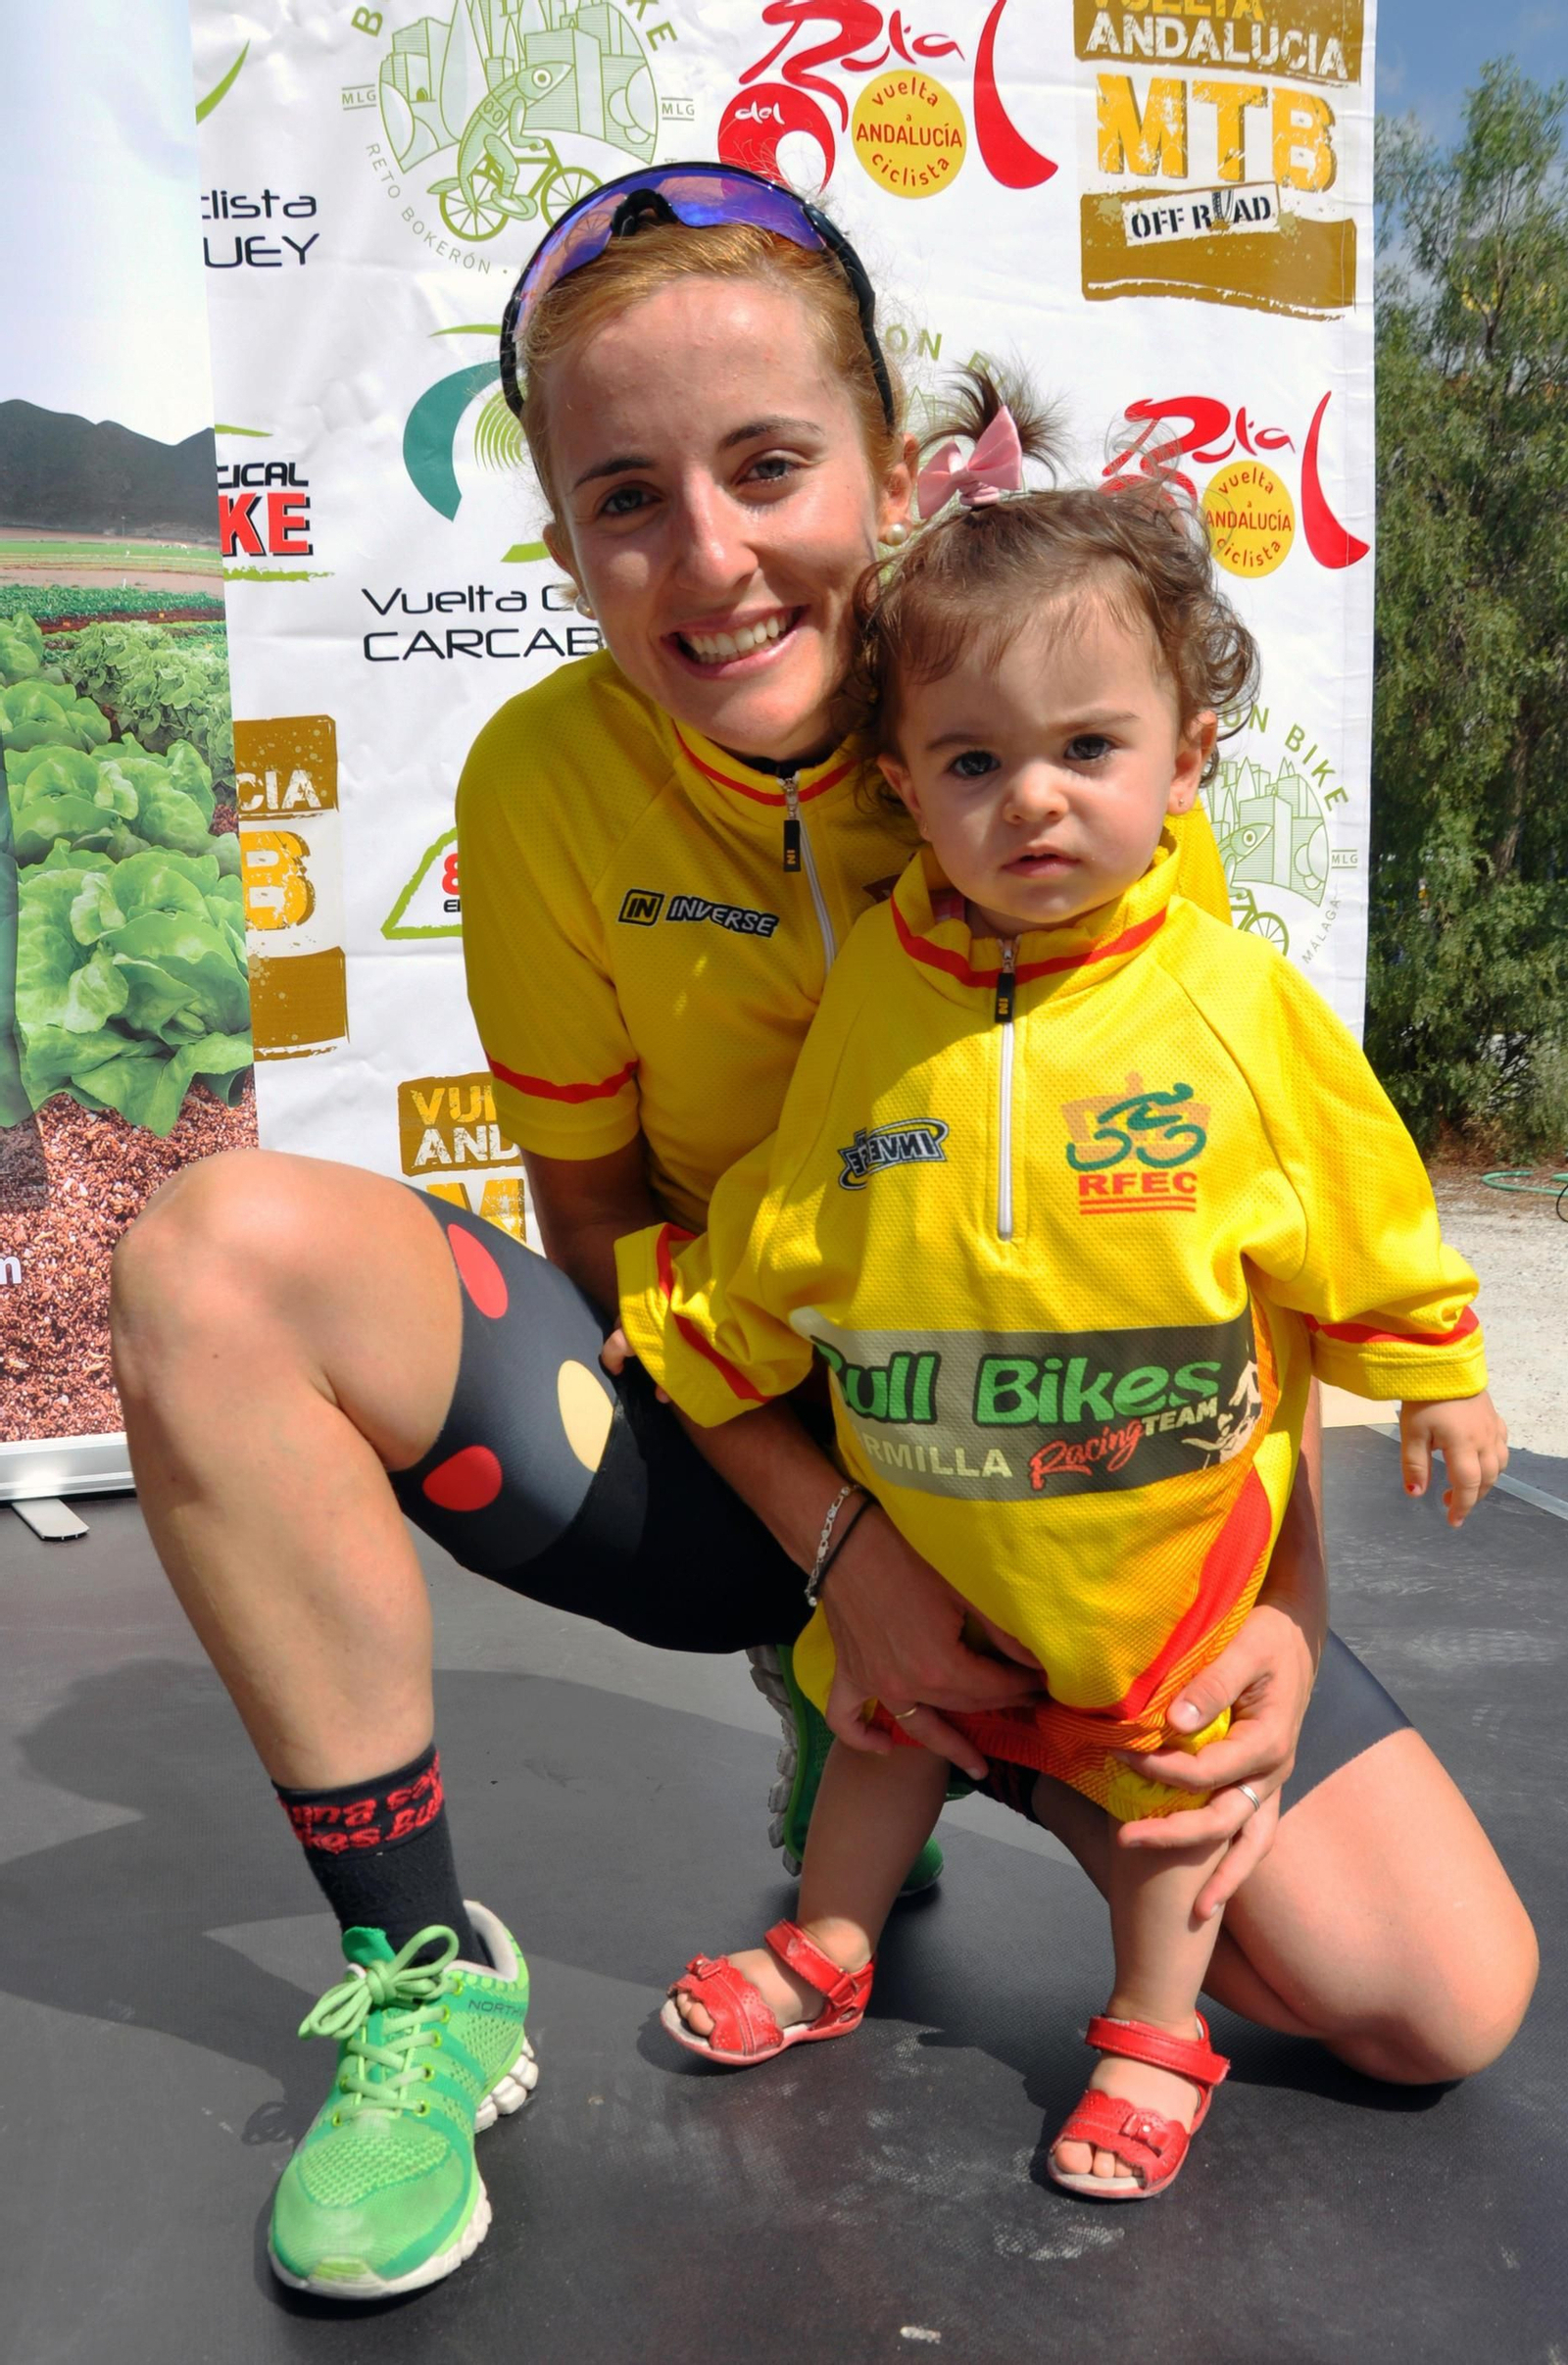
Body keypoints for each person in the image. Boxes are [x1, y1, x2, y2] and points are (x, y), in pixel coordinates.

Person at [108, 164, 1536, 2293]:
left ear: (882, 460)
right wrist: (843, 1558)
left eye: (767, 465)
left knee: (1436, 2001)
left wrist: (1279, 1616)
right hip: (740, 1455)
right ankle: (429, 1980)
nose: (707, 558)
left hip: (1060, 1504)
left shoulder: (1063, 717)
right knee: (202, 1258)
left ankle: (977, 1750)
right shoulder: (535, 787)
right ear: (566, 535)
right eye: (623, 497)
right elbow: (593, 1225)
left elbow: (1251, 1236)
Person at [606, 375, 1510, 2196]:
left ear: (1186, 761)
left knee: (1184, 1797)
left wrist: (1438, 1366)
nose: (1031, 799)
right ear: (900, 781)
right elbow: (816, 1184)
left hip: (1153, 1569)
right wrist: (711, 1320)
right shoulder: (878, 993)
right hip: (937, 1551)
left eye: (1088, 750)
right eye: (971, 760)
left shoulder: (1233, 1006)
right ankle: (834, 1945)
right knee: (881, 1729)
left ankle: (1155, 2027)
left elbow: (1357, 1202)